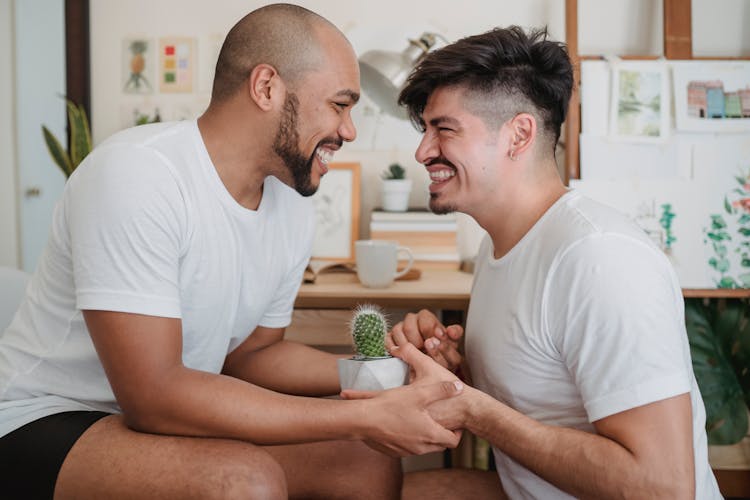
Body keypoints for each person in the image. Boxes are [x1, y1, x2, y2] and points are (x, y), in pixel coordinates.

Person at [0, 4, 464, 499]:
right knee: (241, 481)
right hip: (46, 418)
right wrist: (359, 415)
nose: (349, 130)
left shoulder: (290, 201)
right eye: (339, 105)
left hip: (158, 414)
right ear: (267, 87)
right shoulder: (137, 175)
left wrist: (388, 369)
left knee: (361, 464)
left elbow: (252, 356)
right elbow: (153, 396)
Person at [373, 25, 722, 498]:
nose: (422, 151)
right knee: (368, 483)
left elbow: (663, 485)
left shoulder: (599, 258)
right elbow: (542, 397)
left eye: (444, 130)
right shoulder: (500, 246)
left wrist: (472, 408)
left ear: (518, 135)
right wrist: (455, 373)